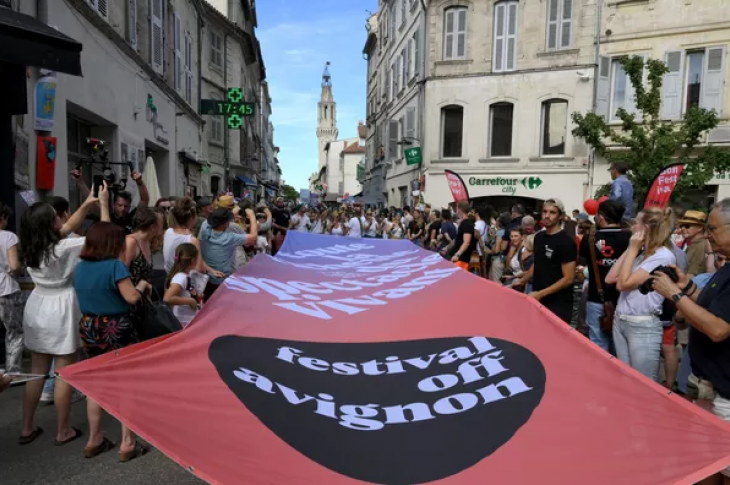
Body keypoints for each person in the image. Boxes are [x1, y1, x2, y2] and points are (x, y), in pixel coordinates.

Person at [18, 183, 109, 446]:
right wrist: (102, 204)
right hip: (62, 307)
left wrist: (86, 203)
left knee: (37, 370)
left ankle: (26, 427)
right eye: (57, 215)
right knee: (63, 372)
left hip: (38, 304)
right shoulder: (65, 247)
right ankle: (63, 430)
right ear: (52, 224)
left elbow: (66, 229)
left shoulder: (30, 244)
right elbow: (101, 236)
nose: (62, 217)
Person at [652, 199, 730, 485]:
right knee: (705, 465)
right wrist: (687, 286)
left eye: (713, 229)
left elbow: (719, 329)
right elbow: (712, 307)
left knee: (719, 468)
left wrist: (675, 295)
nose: (708, 234)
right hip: (710, 389)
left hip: (726, 397)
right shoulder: (726, 268)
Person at [74, 221, 151, 461]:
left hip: (89, 326)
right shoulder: (115, 266)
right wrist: (142, 285)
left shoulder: (80, 267)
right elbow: (130, 297)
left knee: (95, 383)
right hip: (117, 327)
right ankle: (127, 443)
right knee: (125, 383)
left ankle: (94, 439)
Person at [606, 207, 676, 381]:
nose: (631, 228)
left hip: (642, 325)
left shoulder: (663, 256)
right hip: (621, 319)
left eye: (635, 223)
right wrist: (632, 249)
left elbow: (622, 284)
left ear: (645, 228)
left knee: (643, 383)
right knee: (625, 379)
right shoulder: (640, 254)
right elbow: (610, 278)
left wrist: (632, 248)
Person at [578, 200, 630, 352]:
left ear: (600, 217)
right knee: (620, 345)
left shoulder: (589, 239)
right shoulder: (630, 238)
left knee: (598, 342)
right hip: (623, 298)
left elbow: (582, 262)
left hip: (596, 297)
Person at [528, 198, 577, 324]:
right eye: (545, 211)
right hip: (537, 300)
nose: (547, 216)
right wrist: (521, 279)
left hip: (558, 304)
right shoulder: (538, 237)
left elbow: (568, 278)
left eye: (552, 212)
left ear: (560, 216)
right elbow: (539, 263)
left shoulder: (566, 242)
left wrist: (541, 294)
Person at [200, 208, 257, 301]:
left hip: (206, 276)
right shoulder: (230, 238)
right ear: (225, 223)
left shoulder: (205, 229)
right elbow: (253, 237)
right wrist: (252, 216)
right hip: (220, 279)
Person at [72, 167, 150, 235]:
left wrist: (140, 182)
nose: (122, 208)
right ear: (113, 205)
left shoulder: (132, 218)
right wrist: (80, 182)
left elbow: (144, 200)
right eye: (119, 205)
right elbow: (91, 200)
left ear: (129, 206)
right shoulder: (106, 215)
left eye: (126, 206)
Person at [163, 197, 221, 278]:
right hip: (185, 284)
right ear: (192, 218)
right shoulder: (191, 240)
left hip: (170, 279)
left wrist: (209, 269)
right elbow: (198, 269)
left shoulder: (168, 232)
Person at [0, 202, 22, 374]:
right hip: (6, 289)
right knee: (13, 331)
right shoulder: (8, 237)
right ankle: (13, 371)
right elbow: (14, 265)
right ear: (3, 218)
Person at [163, 243, 202, 328]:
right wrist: (191, 301)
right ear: (193, 260)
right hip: (183, 322)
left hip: (187, 319)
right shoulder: (180, 277)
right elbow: (168, 298)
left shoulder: (184, 275)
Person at [123, 208, 162, 287]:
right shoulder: (131, 242)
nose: (162, 226)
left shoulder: (147, 241)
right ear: (152, 227)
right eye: (161, 223)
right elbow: (121, 274)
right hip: (131, 295)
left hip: (143, 294)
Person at [679, 210, 708, 277]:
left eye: (687, 226)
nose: (682, 228)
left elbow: (691, 276)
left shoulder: (701, 246)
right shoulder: (693, 245)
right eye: (681, 225)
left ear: (700, 227)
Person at [449, 201, 477, 271]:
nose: (456, 210)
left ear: (459, 209)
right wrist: (447, 248)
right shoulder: (465, 223)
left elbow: (466, 242)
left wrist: (457, 255)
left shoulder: (467, 224)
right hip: (461, 258)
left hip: (463, 259)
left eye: (456, 207)